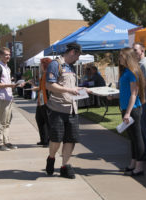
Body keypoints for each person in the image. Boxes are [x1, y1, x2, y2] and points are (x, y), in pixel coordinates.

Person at [45, 43, 86, 179]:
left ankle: (65, 166)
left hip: (72, 109)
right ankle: (51, 158)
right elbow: (50, 85)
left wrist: (84, 90)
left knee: (70, 140)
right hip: (58, 108)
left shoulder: (72, 67)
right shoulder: (55, 64)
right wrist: (69, 90)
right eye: (78, 55)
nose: (78, 58)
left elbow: (71, 86)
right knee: (56, 139)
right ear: (73, 52)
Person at [109, 48, 146, 176]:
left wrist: (128, 113)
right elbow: (125, 92)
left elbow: (134, 94)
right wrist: (113, 96)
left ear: (127, 57)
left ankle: (139, 167)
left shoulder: (132, 72)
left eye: (121, 56)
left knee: (137, 138)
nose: (119, 59)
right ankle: (133, 163)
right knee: (132, 138)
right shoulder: (125, 72)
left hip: (133, 110)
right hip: (127, 109)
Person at [0, 47, 21, 151]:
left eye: (9, 54)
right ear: (0, 56)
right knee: (1, 121)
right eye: (5, 54)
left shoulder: (7, 68)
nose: (8, 56)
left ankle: (6, 141)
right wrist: (9, 85)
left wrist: (16, 85)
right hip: (2, 98)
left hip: (9, 98)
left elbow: (7, 83)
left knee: (7, 121)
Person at [34, 57, 52, 147]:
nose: (40, 66)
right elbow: (42, 88)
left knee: (48, 122)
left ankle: (49, 141)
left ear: (44, 65)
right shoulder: (44, 74)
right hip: (41, 101)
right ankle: (44, 139)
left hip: (46, 102)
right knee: (39, 120)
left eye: (41, 64)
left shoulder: (48, 74)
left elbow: (48, 88)